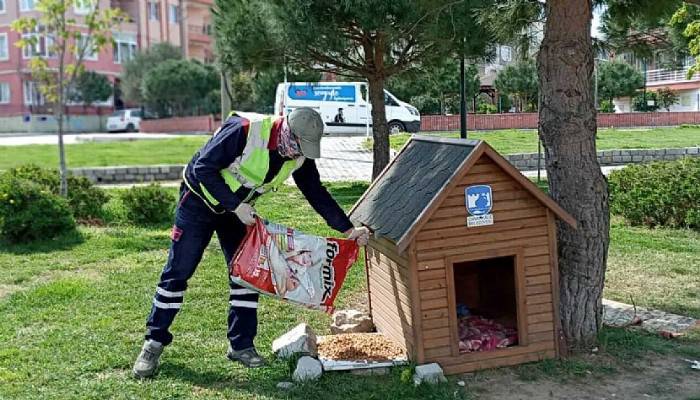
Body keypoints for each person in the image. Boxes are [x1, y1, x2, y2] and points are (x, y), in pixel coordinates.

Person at [132, 107, 370, 378]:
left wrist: (348, 229)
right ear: (287, 131)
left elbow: (315, 192)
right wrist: (235, 206)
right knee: (178, 273)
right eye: (298, 147)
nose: (299, 154)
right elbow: (203, 169)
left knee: (247, 275)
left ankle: (241, 345)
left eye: (305, 149)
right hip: (198, 201)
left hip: (239, 210)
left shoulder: (299, 153)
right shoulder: (245, 130)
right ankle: (153, 343)